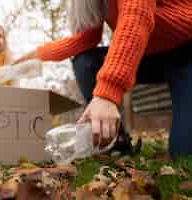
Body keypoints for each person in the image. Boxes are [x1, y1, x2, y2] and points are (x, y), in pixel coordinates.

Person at [14, 0, 192, 156]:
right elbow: (86, 39)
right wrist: (35, 55)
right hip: (148, 56)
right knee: (85, 61)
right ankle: (116, 140)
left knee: (183, 153)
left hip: (186, 51)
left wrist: (107, 93)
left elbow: (136, 15)